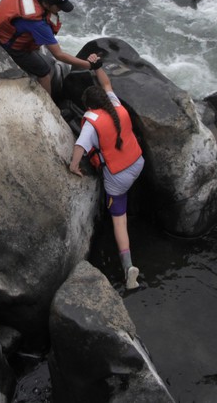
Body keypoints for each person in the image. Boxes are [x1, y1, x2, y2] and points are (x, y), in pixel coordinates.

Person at [69, 64, 145, 290]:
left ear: (90, 106)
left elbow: (80, 146)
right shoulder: (115, 105)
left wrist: (73, 166)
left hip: (118, 176)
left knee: (118, 221)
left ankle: (128, 267)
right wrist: (97, 66)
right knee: (126, 190)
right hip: (138, 163)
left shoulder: (92, 122)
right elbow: (107, 83)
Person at [0, 0, 100, 93]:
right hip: (8, 44)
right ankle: (49, 108)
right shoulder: (38, 24)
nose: (60, 10)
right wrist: (89, 65)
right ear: (46, 4)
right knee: (44, 72)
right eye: (59, 7)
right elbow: (59, 55)